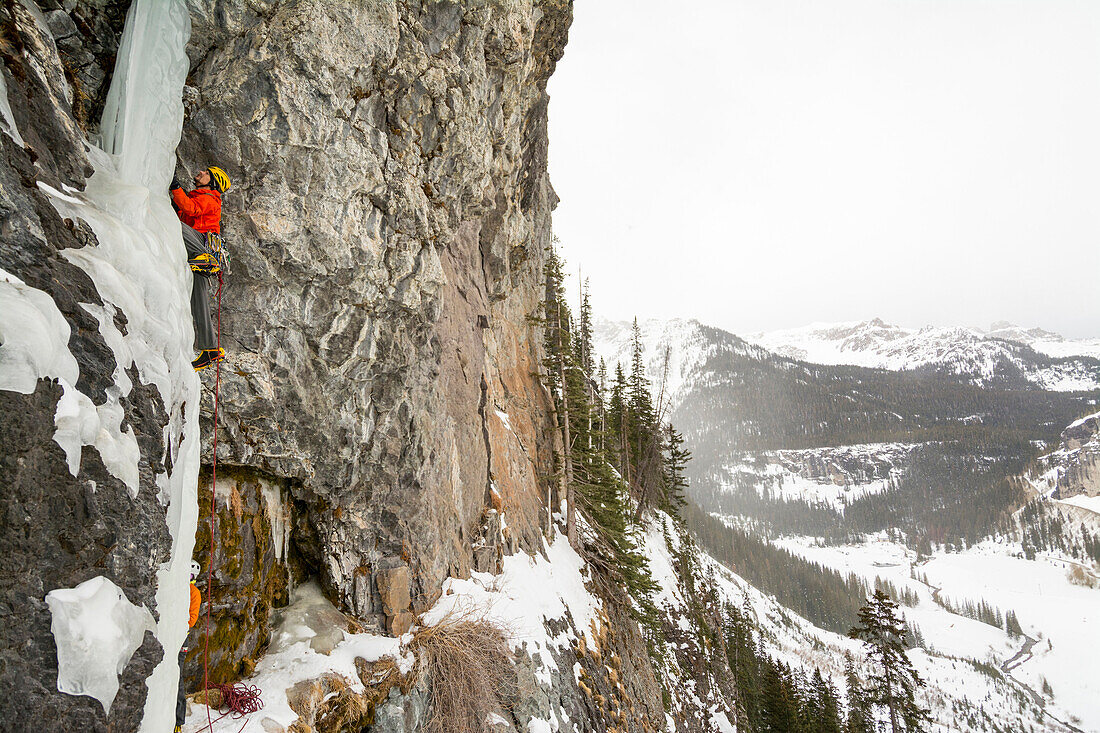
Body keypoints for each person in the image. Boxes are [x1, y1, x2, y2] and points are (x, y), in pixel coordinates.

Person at [170, 166, 231, 371]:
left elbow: (191, 209)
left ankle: (206, 259)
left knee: (171, 224)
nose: (200, 173)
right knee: (199, 300)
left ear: (212, 181)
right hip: (200, 257)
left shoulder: (210, 197)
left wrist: (175, 187)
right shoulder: (199, 195)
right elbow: (185, 211)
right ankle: (209, 348)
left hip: (203, 246)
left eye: (205, 173)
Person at [175, 560, 203, 732]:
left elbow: (192, 619)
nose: (188, 578)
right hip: (175, 637)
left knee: (177, 679)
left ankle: (178, 721)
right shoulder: (178, 589)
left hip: (181, 640)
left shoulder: (194, 593)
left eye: (190, 575)